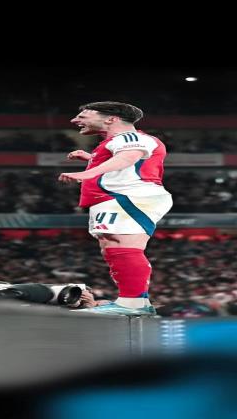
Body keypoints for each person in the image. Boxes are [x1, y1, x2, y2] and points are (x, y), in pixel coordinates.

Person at [58, 101, 173, 316]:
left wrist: (85, 173)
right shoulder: (118, 141)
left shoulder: (129, 137)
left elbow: (128, 157)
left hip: (127, 196)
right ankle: (134, 301)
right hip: (120, 196)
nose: (75, 120)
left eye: (83, 116)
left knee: (122, 245)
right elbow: (128, 163)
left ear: (111, 119)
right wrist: (91, 158)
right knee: (113, 246)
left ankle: (133, 304)